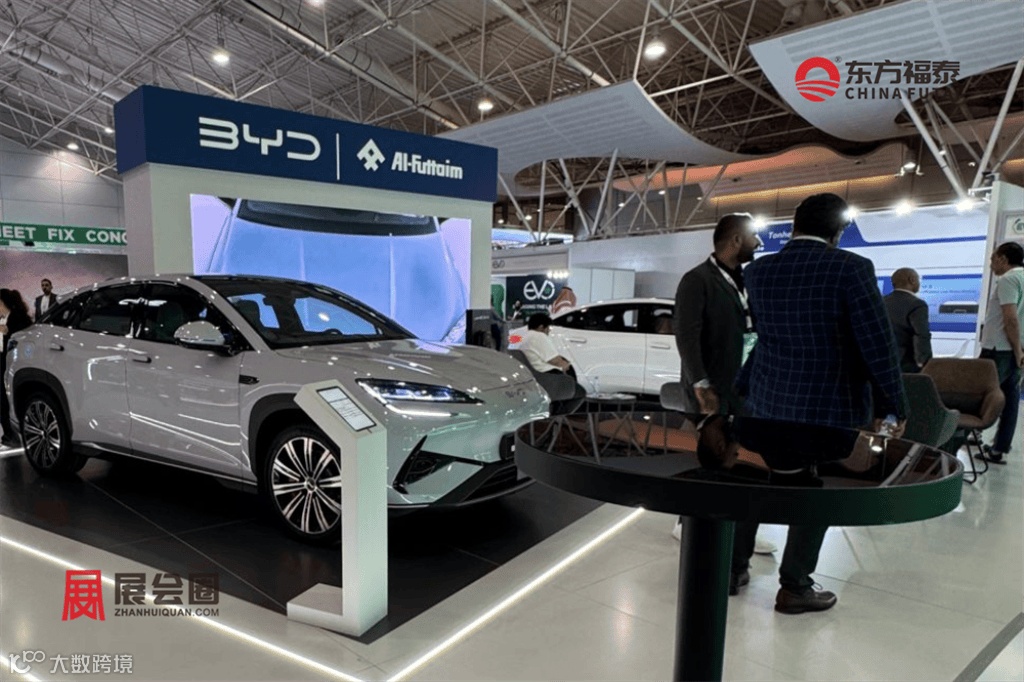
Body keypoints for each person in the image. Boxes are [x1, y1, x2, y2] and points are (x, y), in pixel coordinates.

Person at [735, 193, 908, 615]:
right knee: (814, 492)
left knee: (760, 484)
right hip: (826, 410)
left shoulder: (758, 271)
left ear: (794, 225)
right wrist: (894, 405)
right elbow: (877, 345)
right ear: (839, 231)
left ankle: (731, 569)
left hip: (765, 403)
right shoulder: (851, 268)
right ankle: (795, 586)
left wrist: (742, 388)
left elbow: (766, 339)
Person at [672, 213, 776, 555]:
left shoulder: (749, 279)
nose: (758, 243)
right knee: (709, 456)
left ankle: (738, 524)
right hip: (710, 388)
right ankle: (687, 521)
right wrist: (700, 382)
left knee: (738, 457)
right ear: (735, 240)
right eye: (753, 237)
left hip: (743, 385)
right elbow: (687, 335)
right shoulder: (697, 280)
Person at [978, 241, 1024, 464]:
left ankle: (969, 436)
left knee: (979, 393)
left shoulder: (1008, 279)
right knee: (1011, 399)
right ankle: (999, 448)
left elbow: (1010, 318)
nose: (991, 264)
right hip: (1016, 348)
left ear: (1003, 259)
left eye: (993, 258)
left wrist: (1016, 350)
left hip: (999, 349)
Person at [883, 267, 933, 372]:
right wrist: (924, 362)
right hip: (906, 364)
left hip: (883, 361)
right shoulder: (917, 304)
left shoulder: (881, 302)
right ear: (912, 280)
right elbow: (921, 334)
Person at [1, 288, 32, 446]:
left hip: (14, 363)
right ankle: (10, 434)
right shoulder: (5, 319)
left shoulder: (17, 319)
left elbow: (21, 339)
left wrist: (7, 332)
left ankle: (12, 434)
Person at [520, 312, 576, 378]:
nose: (549, 330)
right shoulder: (539, 336)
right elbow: (554, 360)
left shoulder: (524, 337)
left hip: (532, 373)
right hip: (546, 374)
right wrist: (566, 365)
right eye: (548, 327)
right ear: (541, 327)